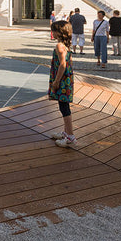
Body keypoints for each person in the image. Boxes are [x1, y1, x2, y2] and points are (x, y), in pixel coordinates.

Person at [48, 20, 76, 148]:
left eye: (53, 30)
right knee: (64, 106)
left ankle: (70, 136)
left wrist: (56, 81)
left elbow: (63, 65)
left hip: (62, 80)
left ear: (59, 32)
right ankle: (66, 133)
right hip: (67, 79)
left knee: (64, 108)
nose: (52, 32)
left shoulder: (59, 46)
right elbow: (69, 62)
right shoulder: (66, 45)